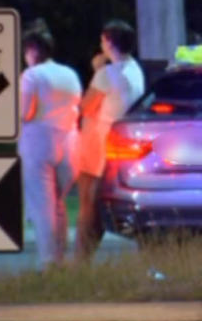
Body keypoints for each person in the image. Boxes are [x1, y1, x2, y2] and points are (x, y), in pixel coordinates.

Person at [76, 20, 144, 261]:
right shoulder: (135, 69)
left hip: (100, 146)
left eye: (103, 41)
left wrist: (96, 70)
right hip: (123, 145)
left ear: (110, 43)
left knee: (89, 205)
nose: (101, 45)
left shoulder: (107, 74)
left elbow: (85, 106)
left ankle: (80, 260)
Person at [18, 19, 82, 268]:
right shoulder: (70, 74)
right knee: (58, 205)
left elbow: (25, 113)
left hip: (39, 144)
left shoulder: (32, 75)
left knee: (42, 208)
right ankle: (60, 257)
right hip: (69, 143)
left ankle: (48, 264)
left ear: (33, 50)